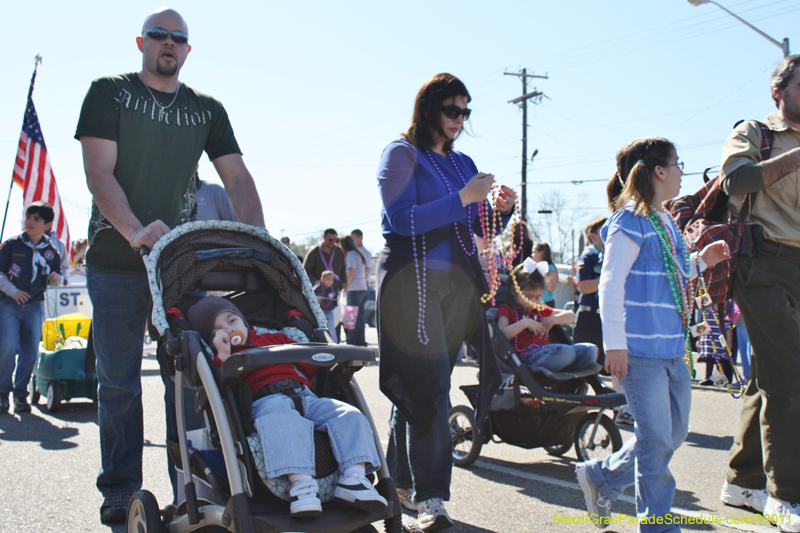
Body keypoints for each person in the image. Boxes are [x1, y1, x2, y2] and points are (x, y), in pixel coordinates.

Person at [75, 7, 265, 523]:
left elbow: (238, 180)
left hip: (177, 266)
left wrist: (261, 242)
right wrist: (135, 230)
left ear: (187, 49)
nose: (168, 43)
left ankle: (193, 483)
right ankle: (120, 489)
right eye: (158, 35)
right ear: (141, 42)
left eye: (178, 38)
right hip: (116, 260)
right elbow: (98, 172)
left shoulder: (207, 109)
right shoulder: (108, 92)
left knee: (188, 375)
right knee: (119, 382)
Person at [376, 73, 513, 530]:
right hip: (410, 289)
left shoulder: (463, 162)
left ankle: (397, 482)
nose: (459, 119)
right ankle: (431, 498)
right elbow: (400, 219)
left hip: (457, 290)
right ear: (429, 107)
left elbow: (480, 230)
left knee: (423, 389)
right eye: (452, 110)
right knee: (432, 390)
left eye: (465, 111)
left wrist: (501, 208)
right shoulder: (400, 154)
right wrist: (463, 197)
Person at [575, 137, 730, 532]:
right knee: (657, 441)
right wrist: (616, 346)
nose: (681, 172)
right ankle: (657, 525)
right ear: (658, 171)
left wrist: (700, 260)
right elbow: (610, 285)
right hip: (640, 352)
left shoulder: (664, 222)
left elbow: (672, 273)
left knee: (671, 435)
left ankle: (602, 476)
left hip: (673, 350)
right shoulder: (628, 220)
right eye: (677, 164)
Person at [186, 296, 386, 517]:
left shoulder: (273, 338)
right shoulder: (221, 356)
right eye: (217, 331)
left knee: (349, 415)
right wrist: (223, 355)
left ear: (243, 320)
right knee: (284, 423)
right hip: (266, 400)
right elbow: (224, 386)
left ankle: (354, 478)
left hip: (305, 394)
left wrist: (308, 355)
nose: (228, 330)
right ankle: (302, 486)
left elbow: (310, 367)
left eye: (232, 321)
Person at [718, 55, 800, 531]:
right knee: (790, 373)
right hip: (760, 263)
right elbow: (738, 181)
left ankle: (741, 479)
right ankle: (786, 495)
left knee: (769, 373)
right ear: (779, 92)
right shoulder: (755, 131)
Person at [0, 201, 63, 414]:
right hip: (10, 303)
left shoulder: (51, 251)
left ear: (47, 225)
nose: (30, 222)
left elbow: (60, 275)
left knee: (30, 352)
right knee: (8, 346)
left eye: (37, 219)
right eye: (28, 217)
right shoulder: (11, 245)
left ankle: (20, 395)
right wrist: (12, 291)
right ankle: (2, 393)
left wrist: (57, 278)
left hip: (35, 305)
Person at [495, 266, 596, 373]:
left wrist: (553, 319)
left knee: (590, 350)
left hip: (548, 351)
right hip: (528, 356)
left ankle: (564, 367)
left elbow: (571, 316)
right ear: (514, 291)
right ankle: (541, 370)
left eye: (537, 297)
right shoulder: (507, 310)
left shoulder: (539, 310)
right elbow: (501, 335)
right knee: (566, 352)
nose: (533, 302)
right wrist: (525, 323)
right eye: (528, 297)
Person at [572, 217, 607, 365]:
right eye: (604, 230)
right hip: (590, 316)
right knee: (584, 361)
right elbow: (583, 287)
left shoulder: (613, 255)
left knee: (606, 364)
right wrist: (609, 280)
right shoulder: (589, 256)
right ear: (593, 236)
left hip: (608, 316)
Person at [341, 235, 368, 346]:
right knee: (360, 316)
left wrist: (346, 286)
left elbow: (351, 272)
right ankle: (360, 341)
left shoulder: (351, 254)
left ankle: (351, 342)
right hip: (362, 287)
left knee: (351, 316)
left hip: (354, 288)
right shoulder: (358, 253)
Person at [313, 270, 339, 343]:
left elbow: (335, 300)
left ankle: (334, 345)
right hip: (320, 313)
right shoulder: (317, 288)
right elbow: (310, 296)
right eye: (327, 279)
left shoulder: (332, 289)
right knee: (321, 330)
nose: (330, 282)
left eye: (331, 280)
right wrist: (316, 298)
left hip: (330, 312)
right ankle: (321, 344)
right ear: (322, 279)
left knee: (332, 331)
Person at [531, 242, 558, 307]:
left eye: (534, 252)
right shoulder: (534, 267)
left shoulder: (550, 267)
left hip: (547, 303)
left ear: (542, 253)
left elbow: (552, 288)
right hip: (536, 302)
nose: (532, 255)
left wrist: (544, 273)